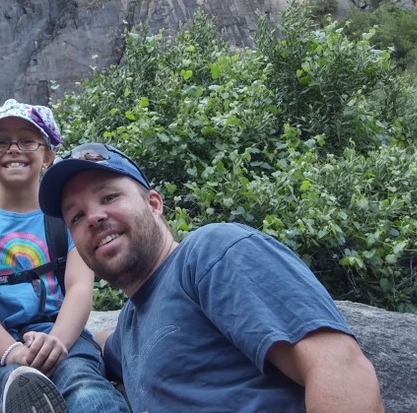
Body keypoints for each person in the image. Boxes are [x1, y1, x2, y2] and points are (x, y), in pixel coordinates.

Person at [38, 141, 386, 413]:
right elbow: (101, 341)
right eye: (77, 217)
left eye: (109, 197)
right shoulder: (130, 326)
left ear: (154, 204)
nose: (94, 218)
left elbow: (339, 368)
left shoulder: (212, 252)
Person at [0, 100, 129, 413]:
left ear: (48, 156)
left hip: (65, 339)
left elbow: (79, 288)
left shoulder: (68, 219)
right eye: (1, 141)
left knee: (83, 385)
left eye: (27, 140)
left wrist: (57, 341)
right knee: (6, 384)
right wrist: (11, 351)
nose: (14, 149)